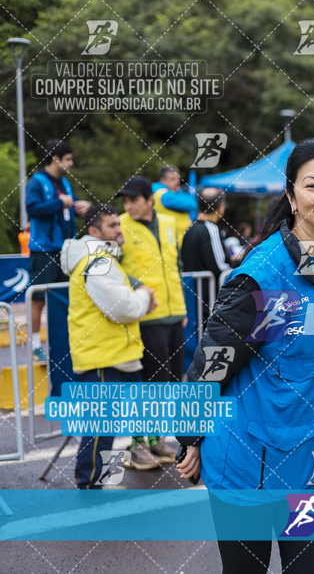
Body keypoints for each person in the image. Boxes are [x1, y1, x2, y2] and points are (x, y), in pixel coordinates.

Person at [175, 139, 314, 574]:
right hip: (249, 468)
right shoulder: (267, 275)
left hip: (313, 464)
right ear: (292, 197)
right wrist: (189, 436)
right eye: (312, 185)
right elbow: (212, 361)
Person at [59, 204, 160, 481]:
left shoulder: (101, 257)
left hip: (114, 354)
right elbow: (122, 307)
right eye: (112, 226)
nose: (119, 230)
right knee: (101, 427)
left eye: (119, 224)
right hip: (102, 356)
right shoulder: (97, 260)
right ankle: (89, 483)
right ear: (94, 231)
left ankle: (126, 461)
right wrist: (143, 296)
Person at [117, 176, 186, 463]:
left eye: (133, 199)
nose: (128, 205)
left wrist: (182, 311)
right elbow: (113, 269)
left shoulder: (169, 223)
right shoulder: (119, 225)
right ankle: (136, 446)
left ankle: (157, 441)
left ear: (148, 199)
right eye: (125, 200)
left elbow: (176, 266)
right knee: (147, 383)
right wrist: (138, 287)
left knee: (168, 381)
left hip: (174, 313)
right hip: (146, 316)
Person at [25, 139, 91, 361]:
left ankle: (64, 343)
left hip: (67, 251)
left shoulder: (65, 183)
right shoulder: (37, 182)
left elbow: (66, 207)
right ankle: (34, 347)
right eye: (68, 159)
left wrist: (81, 208)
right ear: (56, 159)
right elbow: (32, 209)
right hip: (43, 251)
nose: (71, 163)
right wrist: (59, 204)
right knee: (38, 299)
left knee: (65, 297)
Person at [180, 188, 232, 328]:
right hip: (208, 300)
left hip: (194, 299)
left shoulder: (190, 229)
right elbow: (220, 268)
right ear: (221, 207)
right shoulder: (210, 229)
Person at [153, 166, 197, 243]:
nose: (177, 182)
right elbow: (192, 204)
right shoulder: (165, 195)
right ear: (163, 181)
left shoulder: (170, 192)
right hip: (176, 241)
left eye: (178, 178)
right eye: (172, 179)